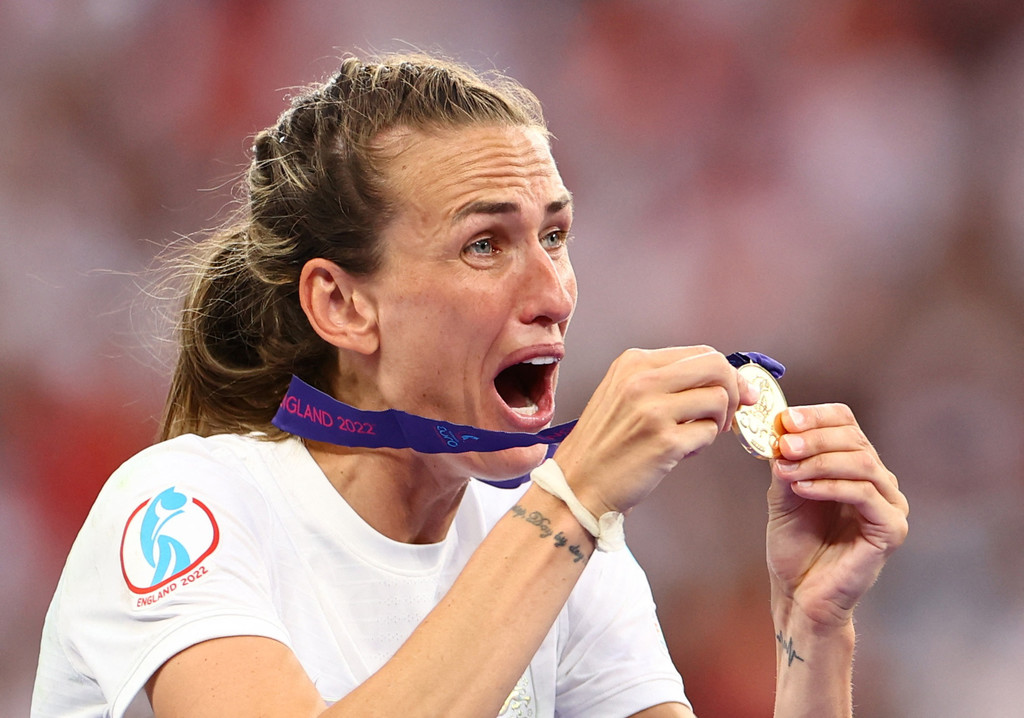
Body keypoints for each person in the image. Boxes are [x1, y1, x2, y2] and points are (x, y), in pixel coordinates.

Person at [31, 53, 909, 718]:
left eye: (554, 236)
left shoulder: (565, 546)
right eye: (486, 245)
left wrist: (812, 633)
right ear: (341, 305)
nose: (554, 293)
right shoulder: (184, 506)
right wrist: (573, 500)